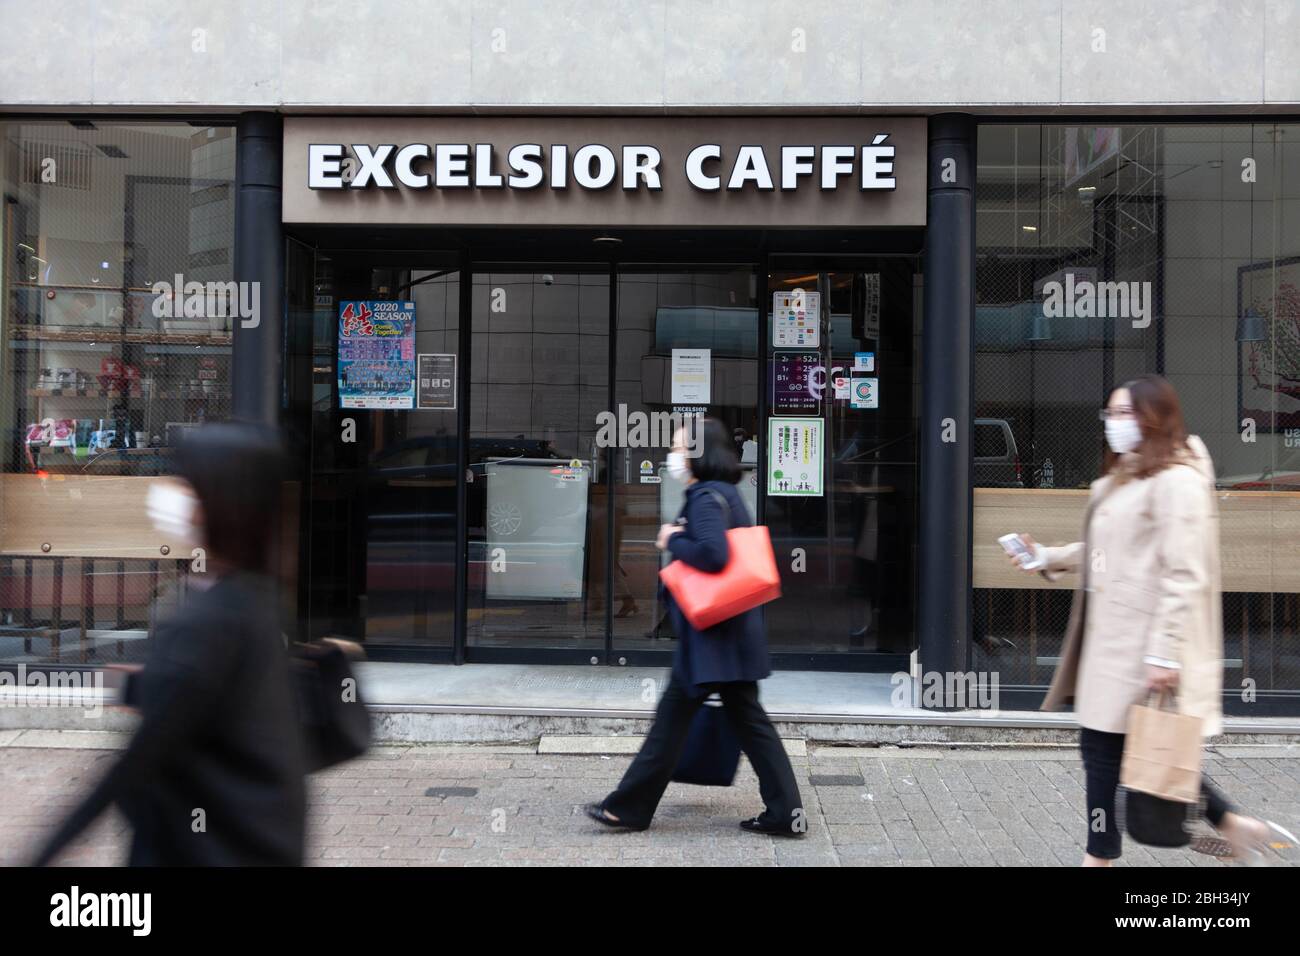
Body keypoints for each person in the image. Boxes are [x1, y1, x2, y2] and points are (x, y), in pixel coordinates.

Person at [1009, 374, 1280, 865]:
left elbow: (1184, 572)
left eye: (1123, 414)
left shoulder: (1177, 481)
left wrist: (1163, 651)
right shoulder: (1128, 477)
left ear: (1153, 418)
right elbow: (1105, 550)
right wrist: (1045, 556)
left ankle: (1099, 859)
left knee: (1104, 753)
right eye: (1109, 415)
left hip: (1140, 648)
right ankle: (1235, 825)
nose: (1112, 424)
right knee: (1146, 747)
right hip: (1111, 646)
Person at [33, 423, 307, 866]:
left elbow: (137, 762)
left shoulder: (207, 621)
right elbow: (209, 700)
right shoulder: (256, 599)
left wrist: (46, 850)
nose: (169, 492)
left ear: (213, 502)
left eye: (184, 481)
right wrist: (147, 687)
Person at [588, 417, 805, 836]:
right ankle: (785, 814)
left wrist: (672, 539)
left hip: (711, 637)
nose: (671, 455)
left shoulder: (706, 497)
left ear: (696, 452)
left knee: (671, 724)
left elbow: (714, 556)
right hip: (730, 634)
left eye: (676, 447)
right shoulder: (726, 493)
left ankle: (628, 808)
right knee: (750, 726)